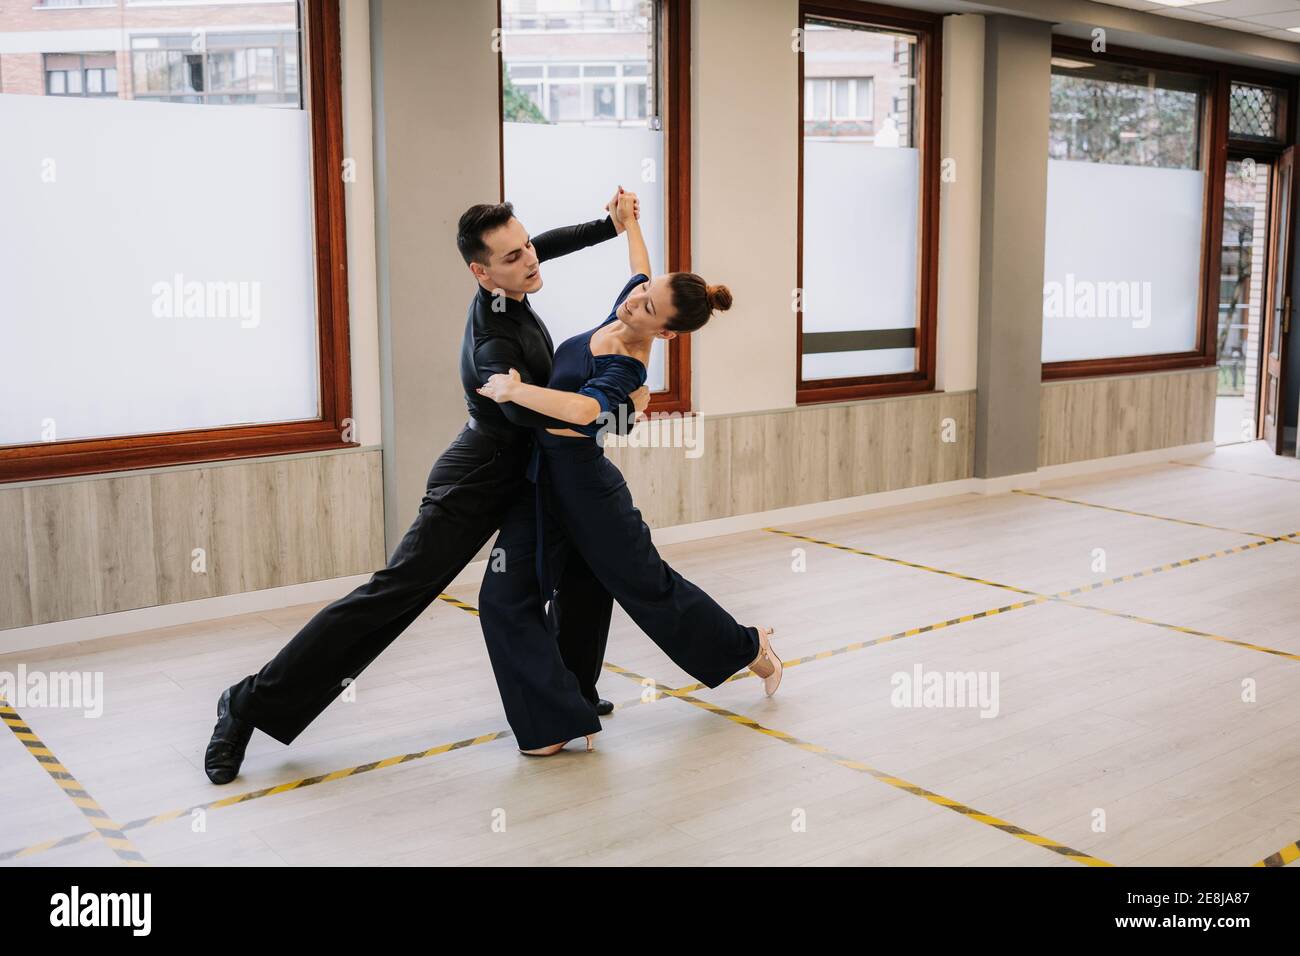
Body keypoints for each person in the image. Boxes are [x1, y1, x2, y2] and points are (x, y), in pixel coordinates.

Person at [203, 189, 650, 784]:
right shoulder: (493, 336)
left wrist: (607, 226)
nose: (530, 261)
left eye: (526, 248)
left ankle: (568, 694)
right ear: (481, 270)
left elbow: (547, 246)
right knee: (395, 594)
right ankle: (247, 702)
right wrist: (604, 409)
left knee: (584, 568)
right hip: (479, 475)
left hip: (531, 472)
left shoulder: (510, 276)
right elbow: (513, 398)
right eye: (514, 257)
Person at [475, 190, 782, 757]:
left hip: (589, 492)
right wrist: (626, 223)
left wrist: (518, 390)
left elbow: (587, 412)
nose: (635, 300)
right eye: (644, 291)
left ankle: (749, 647)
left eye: (647, 307)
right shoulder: (631, 303)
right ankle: (572, 702)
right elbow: (638, 265)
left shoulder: (627, 363)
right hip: (551, 481)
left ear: (663, 333)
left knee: (647, 588)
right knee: (577, 589)